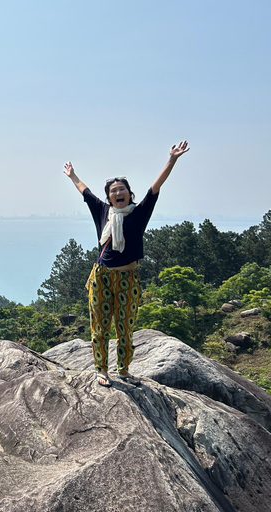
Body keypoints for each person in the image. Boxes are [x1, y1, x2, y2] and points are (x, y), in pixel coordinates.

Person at [63, 141, 190, 387]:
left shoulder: (139, 212)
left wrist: (172, 159)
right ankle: (101, 371)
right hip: (101, 277)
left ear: (129, 194)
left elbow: (156, 186)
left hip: (128, 279)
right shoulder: (102, 211)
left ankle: (123, 371)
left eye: (121, 189)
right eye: (113, 190)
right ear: (109, 197)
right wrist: (72, 175)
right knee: (99, 327)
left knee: (125, 329)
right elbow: (85, 191)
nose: (117, 193)